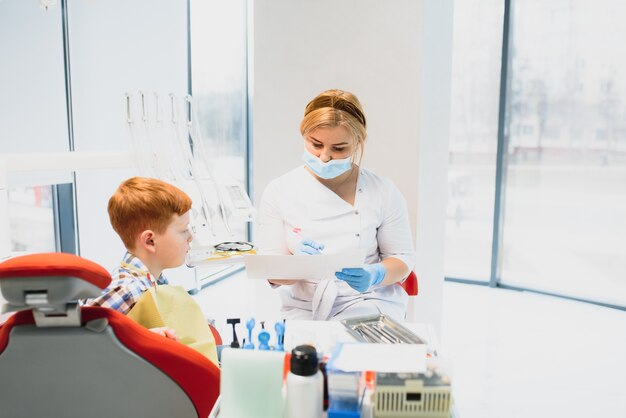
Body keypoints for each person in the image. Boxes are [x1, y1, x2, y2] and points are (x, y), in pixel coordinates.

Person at [256, 89, 415, 321]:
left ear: (358, 142)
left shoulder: (383, 191)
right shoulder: (279, 191)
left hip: (367, 300)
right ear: (304, 135)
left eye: (339, 148)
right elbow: (270, 271)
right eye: (315, 144)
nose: (324, 156)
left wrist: (376, 274)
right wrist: (297, 265)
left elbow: (402, 259)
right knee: (308, 355)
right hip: (304, 307)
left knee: (354, 349)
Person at [82, 177, 218, 364]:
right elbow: (82, 347)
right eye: (183, 230)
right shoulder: (126, 288)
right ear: (150, 241)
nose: (191, 237)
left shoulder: (154, 282)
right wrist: (139, 341)